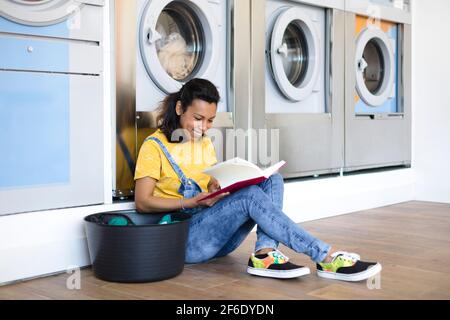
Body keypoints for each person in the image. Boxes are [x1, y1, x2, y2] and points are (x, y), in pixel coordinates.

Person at [134, 78, 382, 281]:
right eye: (197, 119)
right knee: (250, 197)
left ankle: (264, 253)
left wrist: (216, 185)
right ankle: (325, 256)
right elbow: (143, 203)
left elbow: (208, 182)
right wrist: (190, 203)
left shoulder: (204, 143)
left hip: (218, 239)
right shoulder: (154, 146)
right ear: (179, 109)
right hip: (185, 241)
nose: (204, 127)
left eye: (210, 120)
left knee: (272, 181)